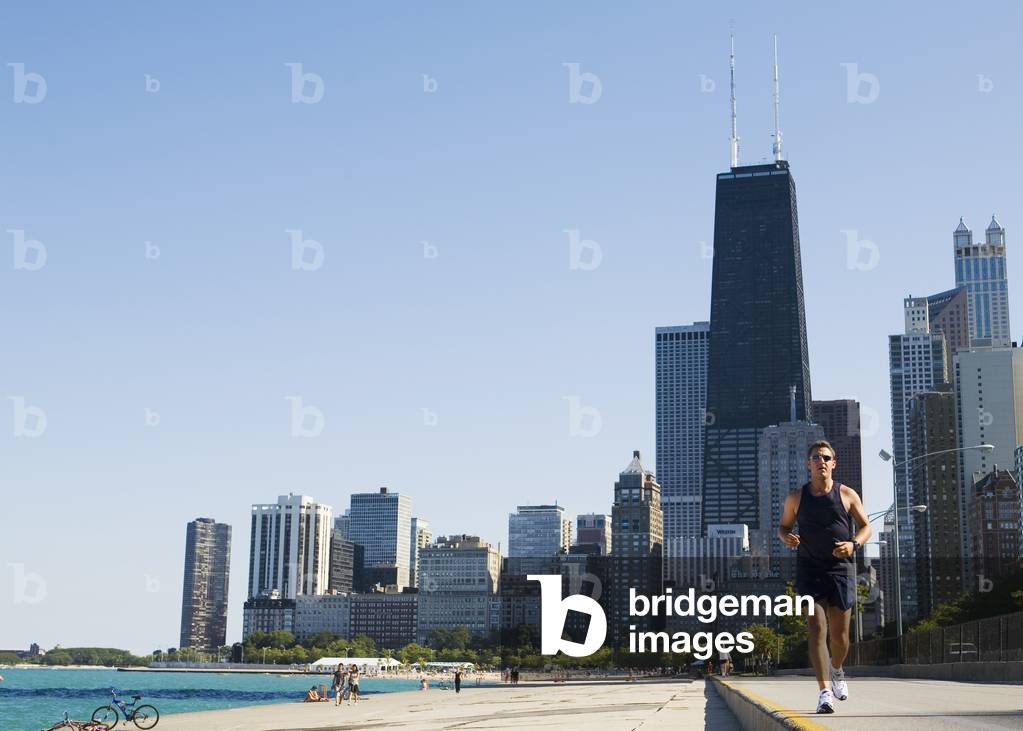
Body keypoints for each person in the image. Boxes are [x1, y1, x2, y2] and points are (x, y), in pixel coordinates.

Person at [779, 440, 871, 715]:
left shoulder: (847, 494)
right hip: (809, 570)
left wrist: (853, 544)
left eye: (826, 457)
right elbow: (783, 527)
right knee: (817, 628)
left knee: (841, 638)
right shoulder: (796, 497)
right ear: (808, 464)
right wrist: (787, 538)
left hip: (841, 570)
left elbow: (866, 527)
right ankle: (824, 692)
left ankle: (838, 669)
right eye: (816, 457)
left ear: (834, 463)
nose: (821, 461)